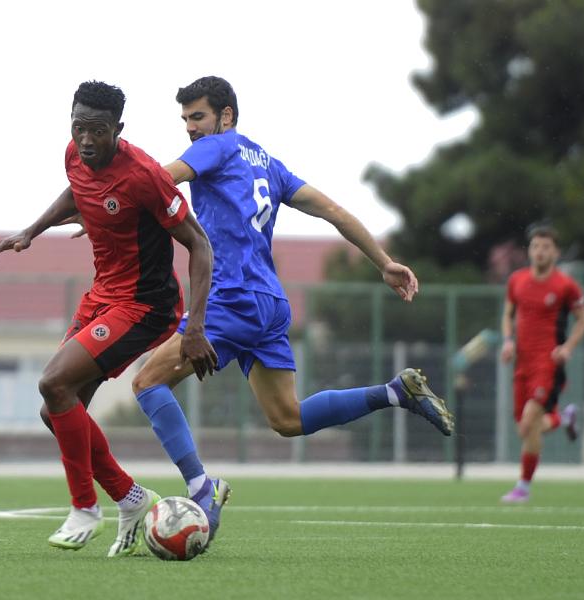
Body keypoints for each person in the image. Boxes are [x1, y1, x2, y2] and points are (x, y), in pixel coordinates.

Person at [127, 76, 456, 542]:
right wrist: (383, 262)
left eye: (197, 117)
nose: (190, 129)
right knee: (288, 419)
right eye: (184, 120)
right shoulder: (270, 165)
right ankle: (394, 393)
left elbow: (161, 180)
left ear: (227, 116)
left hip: (233, 298)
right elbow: (335, 212)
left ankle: (202, 489)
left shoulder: (218, 147)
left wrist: (106, 203)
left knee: (145, 383)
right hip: (269, 303)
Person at [0, 81, 217, 556]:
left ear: (118, 129)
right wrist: (30, 231)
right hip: (102, 296)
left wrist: (194, 328)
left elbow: (199, 244)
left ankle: (85, 507)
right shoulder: (75, 153)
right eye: (79, 127)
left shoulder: (146, 176)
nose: (86, 140)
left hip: (144, 306)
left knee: (52, 384)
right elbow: (77, 190)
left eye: (98, 131)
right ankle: (130, 498)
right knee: (57, 410)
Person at [499, 225, 584, 503]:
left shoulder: (565, 285)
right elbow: (508, 314)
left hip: (548, 364)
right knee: (525, 429)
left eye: (546, 247)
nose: (540, 251)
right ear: (529, 250)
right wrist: (508, 340)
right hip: (522, 365)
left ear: (556, 252)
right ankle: (564, 419)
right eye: (536, 246)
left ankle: (523, 488)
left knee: (529, 422)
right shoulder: (517, 280)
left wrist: (567, 347)